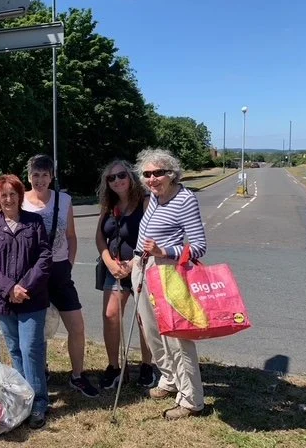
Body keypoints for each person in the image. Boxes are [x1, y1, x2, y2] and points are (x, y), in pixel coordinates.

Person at [131, 148, 207, 420]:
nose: (152, 179)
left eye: (158, 173)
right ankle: (169, 379)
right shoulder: (155, 196)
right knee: (152, 331)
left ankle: (191, 399)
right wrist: (137, 260)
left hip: (169, 271)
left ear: (171, 174)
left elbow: (198, 246)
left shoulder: (185, 199)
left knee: (176, 336)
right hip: (142, 267)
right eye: (147, 174)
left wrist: (165, 251)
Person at [0, 174, 52, 430]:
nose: (8, 199)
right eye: (3, 195)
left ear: (20, 196)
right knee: (16, 349)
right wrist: (9, 288)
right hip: (3, 300)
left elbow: (44, 257)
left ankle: (40, 402)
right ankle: (23, 399)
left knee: (31, 347)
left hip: (32, 299)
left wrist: (23, 287)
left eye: (13, 194)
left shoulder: (34, 222)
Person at [22, 154, 99, 398]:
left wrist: (69, 262)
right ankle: (40, 370)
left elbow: (71, 235)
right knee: (37, 328)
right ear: (29, 176)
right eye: (35, 174)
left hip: (59, 270)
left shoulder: (63, 200)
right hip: (32, 272)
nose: (40, 180)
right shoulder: (21, 200)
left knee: (76, 326)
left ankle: (77, 375)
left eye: (45, 175)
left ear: (52, 177)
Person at [95, 160, 155, 390]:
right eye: (111, 178)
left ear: (130, 177)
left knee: (143, 319)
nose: (117, 181)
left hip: (141, 266)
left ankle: (147, 366)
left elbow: (154, 236)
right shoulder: (108, 205)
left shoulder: (146, 201)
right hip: (115, 269)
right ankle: (113, 366)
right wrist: (109, 262)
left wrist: (134, 263)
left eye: (121, 175)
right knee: (110, 315)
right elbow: (101, 237)